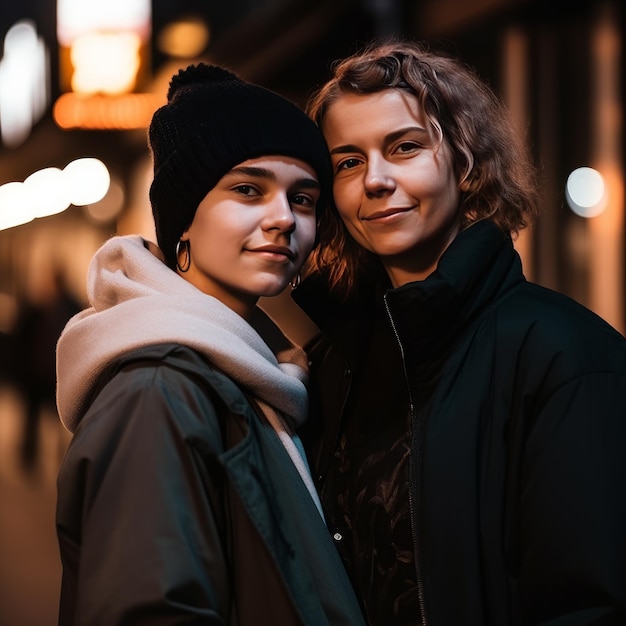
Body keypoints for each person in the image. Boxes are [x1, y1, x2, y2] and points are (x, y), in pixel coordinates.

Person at [292, 39, 626, 625]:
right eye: (348, 161)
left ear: (464, 162)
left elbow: (591, 604)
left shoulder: (564, 354)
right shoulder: (336, 364)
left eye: (405, 148)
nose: (375, 180)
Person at [55, 63, 366, 626]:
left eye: (303, 199)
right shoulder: (161, 390)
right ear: (183, 222)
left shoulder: (257, 372)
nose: (282, 219)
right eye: (248, 190)